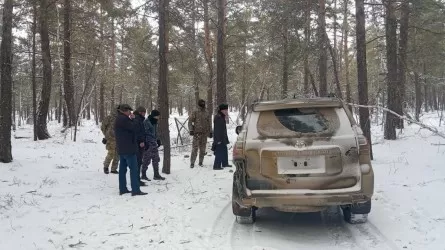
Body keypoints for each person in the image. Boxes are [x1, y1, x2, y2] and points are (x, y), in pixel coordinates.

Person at [114, 104, 147, 196]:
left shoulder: (118, 119)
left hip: (122, 148)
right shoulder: (124, 119)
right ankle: (135, 190)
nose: (130, 113)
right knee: (134, 169)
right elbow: (135, 128)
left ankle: (123, 189)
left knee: (122, 170)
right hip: (129, 148)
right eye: (129, 111)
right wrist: (134, 119)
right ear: (125, 110)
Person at [142, 110, 166, 181]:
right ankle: (143, 174)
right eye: (158, 116)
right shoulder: (146, 122)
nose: (159, 117)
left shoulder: (155, 122)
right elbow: (145, 133)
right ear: (154, 115)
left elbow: (156, 132)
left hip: (154, 143)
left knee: (156, 159)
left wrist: (158, 140)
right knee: (146, 159)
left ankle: (156, 175)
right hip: (148, 144)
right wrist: (146, 142)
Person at [188, 99, 212, 168]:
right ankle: (192, 163)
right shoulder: (195, 111)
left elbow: (209, 122)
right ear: (199, 104)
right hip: (197, 133)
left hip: (204, 134)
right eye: (201, 103)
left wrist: (210, 132)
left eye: (204, 103)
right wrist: (191, 130)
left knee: (203, 149)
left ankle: (201, 162)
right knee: (195, 149)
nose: (203, 104)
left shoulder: (206, 112)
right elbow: (190, 121)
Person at [212, 104, 231, 170]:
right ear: (221, 110)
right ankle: (216, 166)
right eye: (225, 110)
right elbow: (217, 130)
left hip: (223, 137)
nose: (226, 111)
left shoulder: (222, 116)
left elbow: (223, 129)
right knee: (219, 151)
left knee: (224, 150)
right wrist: (218, 140)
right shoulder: (218, 117)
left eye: (227, 110)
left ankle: (225, 163)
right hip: (219, 138)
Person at [133, 106, 147, 186]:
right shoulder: (137, 120)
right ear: (140, 112)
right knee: (137, 162)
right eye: (144, 112)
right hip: (137, 144)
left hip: (139, 144)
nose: (144, 114)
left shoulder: (139, 119)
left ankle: (137, 179)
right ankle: (136, 180)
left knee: (139, 162)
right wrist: (141, 141)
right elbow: (138, 132)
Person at [101, 110, 119, 174]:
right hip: (111, 139)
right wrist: (106, 135)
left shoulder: (121, 118)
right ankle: (106, 167)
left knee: (117, 154)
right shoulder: (109, 117)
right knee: (111, 153)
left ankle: (114, 169)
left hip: (119, 139)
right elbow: (103, 126)